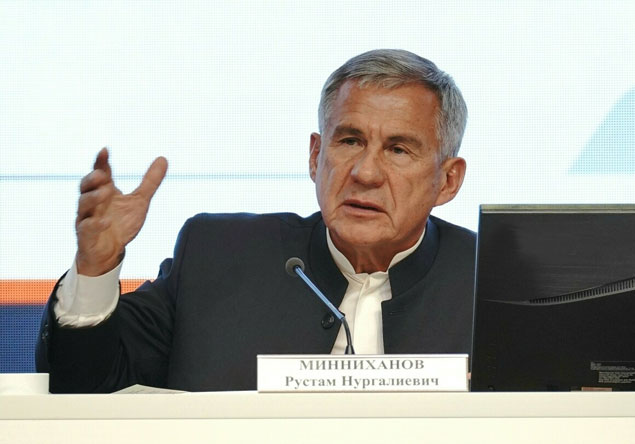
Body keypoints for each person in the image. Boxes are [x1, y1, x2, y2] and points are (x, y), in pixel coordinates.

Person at [36, 49, 476, 393]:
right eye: (349, 141)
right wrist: (95, 269)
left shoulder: (489, 281)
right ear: (315, 156)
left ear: (448, 181)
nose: (365, 172)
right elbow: (83, 381)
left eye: (398, 150)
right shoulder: (219, 256)